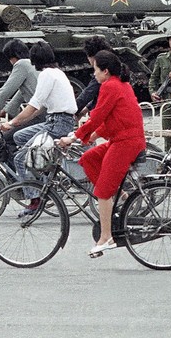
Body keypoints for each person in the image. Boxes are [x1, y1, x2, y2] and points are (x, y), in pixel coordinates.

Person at [58, 50, 145, 257]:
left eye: (95, 70)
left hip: (126, 142)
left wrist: (74, 137)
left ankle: (106, 237)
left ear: (105, 71)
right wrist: (91, 136)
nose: (94, 74)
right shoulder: (120, 84)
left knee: (102, 191)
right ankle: (119, 195)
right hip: (125, 138)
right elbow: (113, 119)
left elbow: (97, 116)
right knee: (88, 158)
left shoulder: (110, 86)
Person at [2, 42, 77, 213]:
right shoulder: (58, 73)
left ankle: (34, 198)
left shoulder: (46, 75)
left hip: (56, 124)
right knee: (18, 137)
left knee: (19, 158)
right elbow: (40, 106)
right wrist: (20, 122)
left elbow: (34, 105)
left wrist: (12, 123)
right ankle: (42, 173)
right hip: (58, 120)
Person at [0, 39, 40, 165]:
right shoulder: (31, 64)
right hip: (41, 113)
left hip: (38, 115)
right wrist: (1, 113)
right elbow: (20, 95)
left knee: (4, 140)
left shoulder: (22, 64)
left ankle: (15, 179)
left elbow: (6, 89)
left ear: (12, 56)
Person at [74, 36, 113, 118]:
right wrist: (84, 110)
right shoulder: (112, 66)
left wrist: (71, 111)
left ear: (93, 57)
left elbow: (88, 93)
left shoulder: (102, 73)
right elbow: (99, 96)